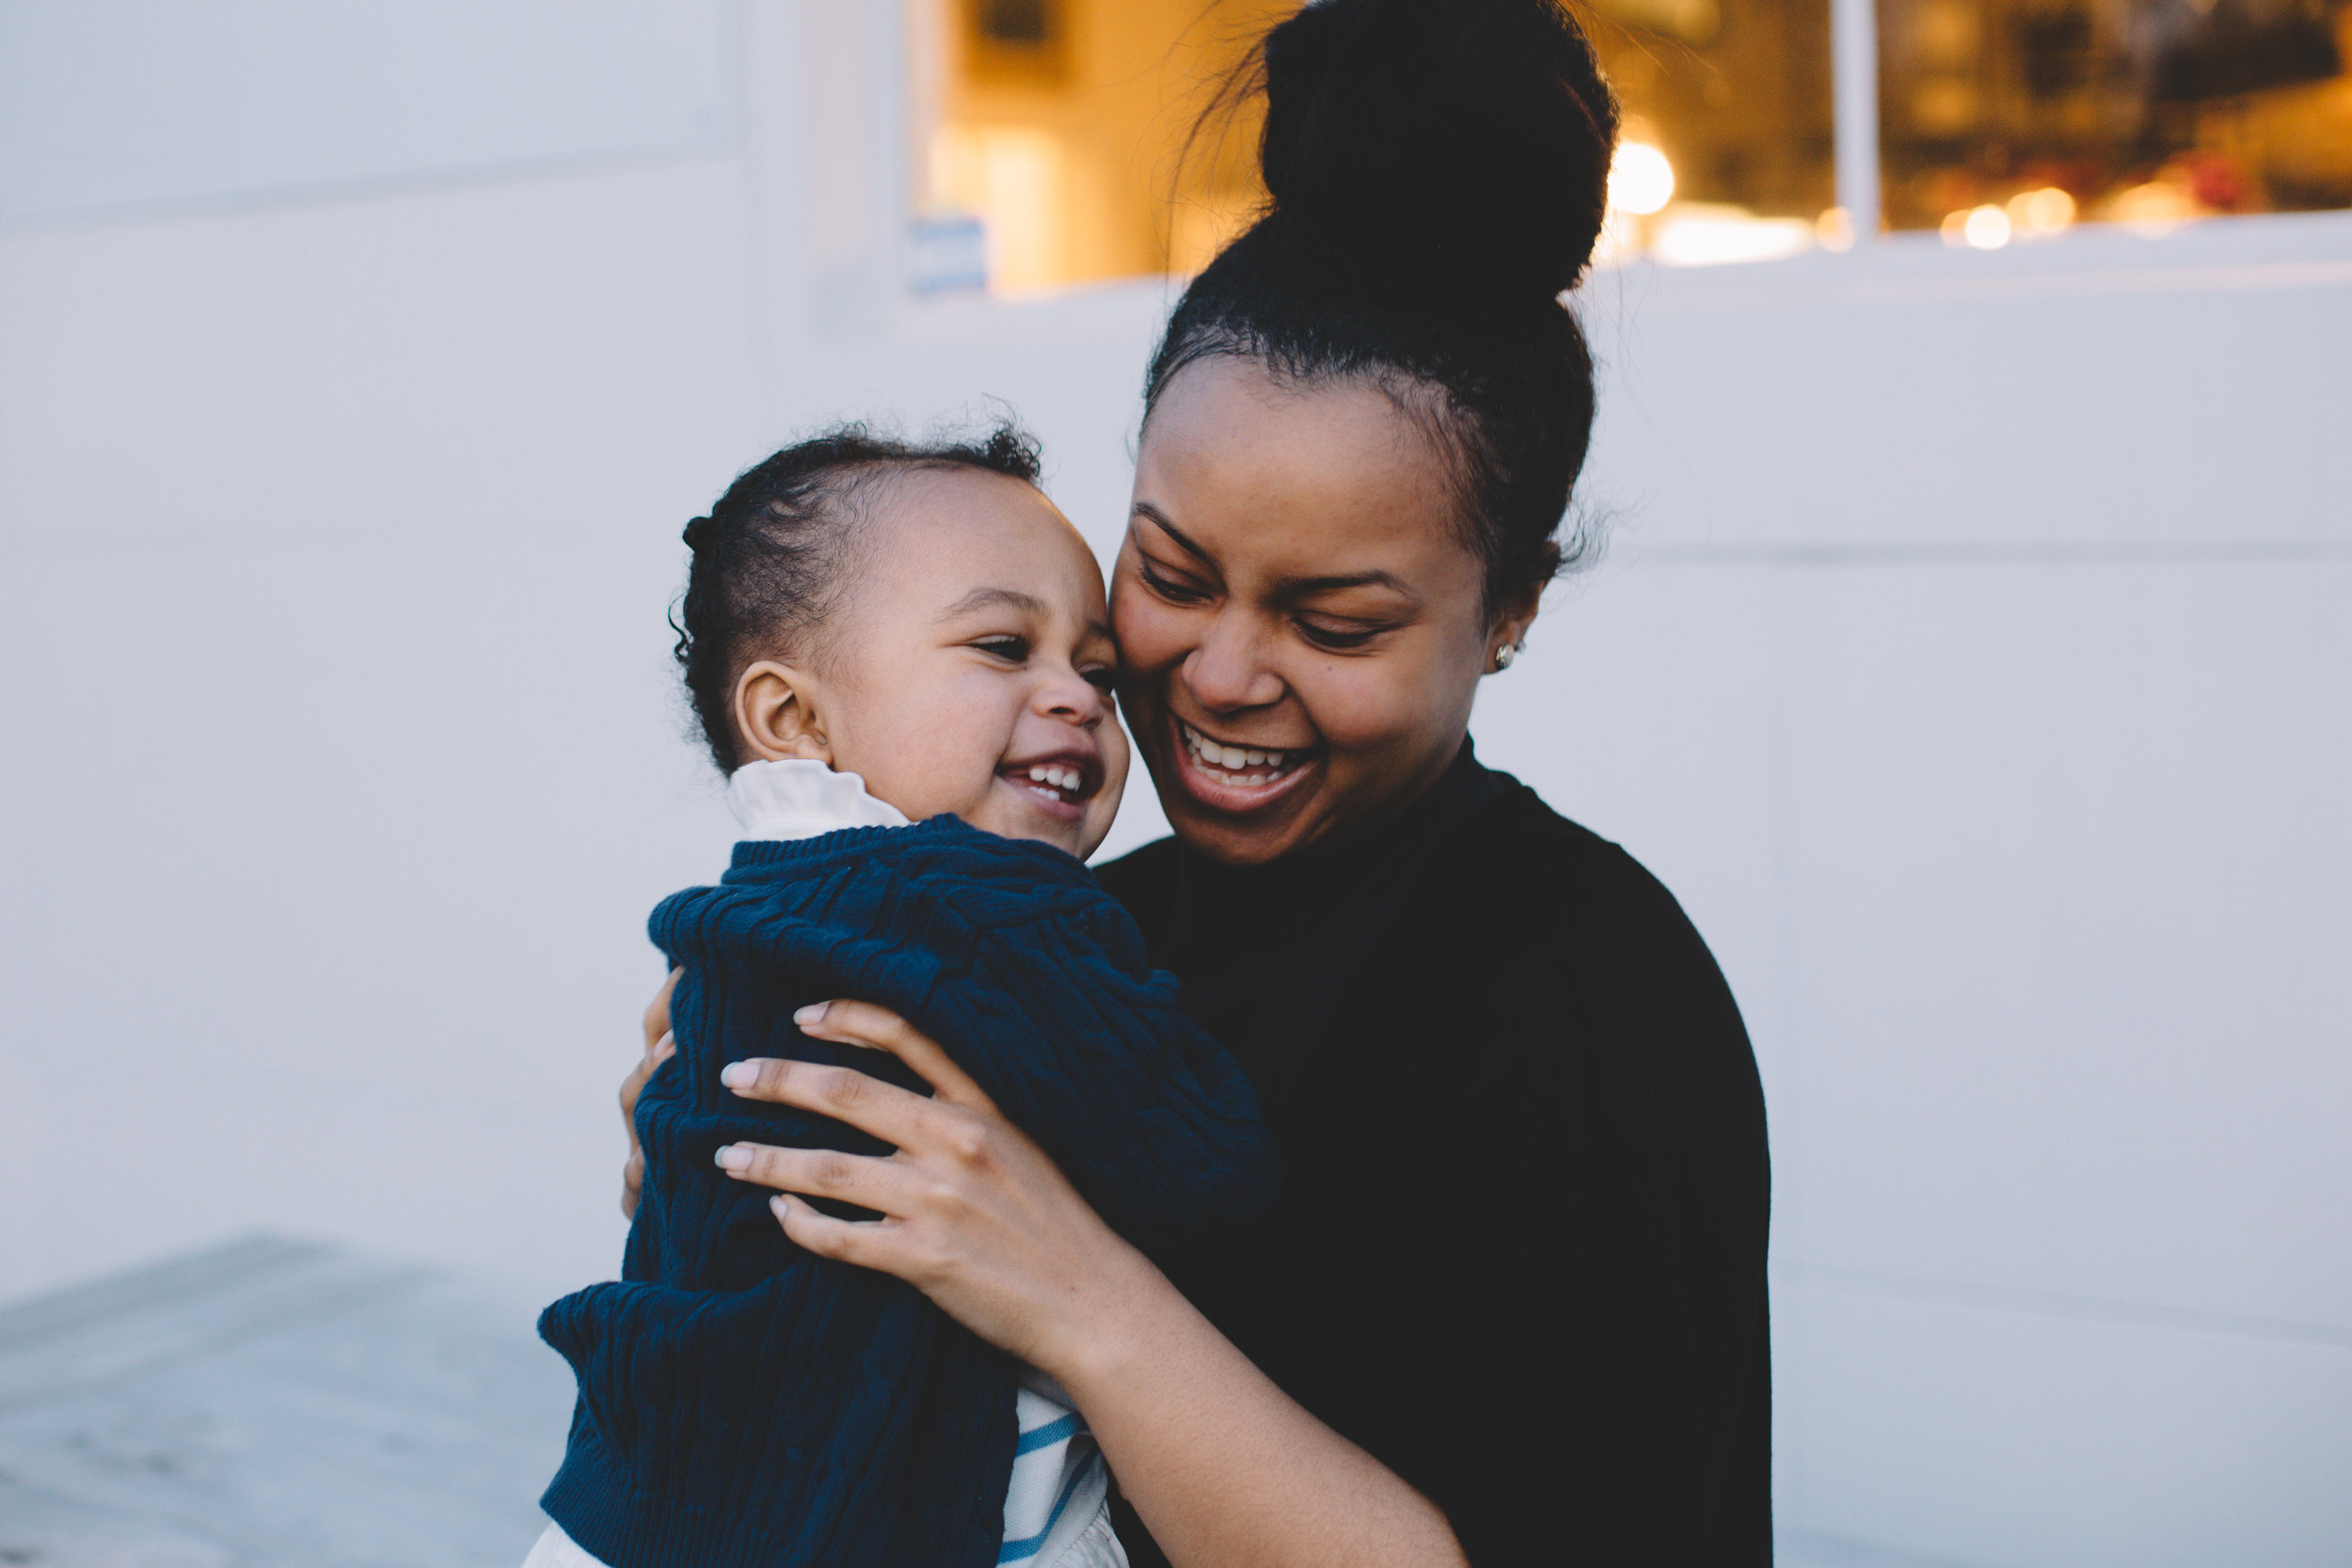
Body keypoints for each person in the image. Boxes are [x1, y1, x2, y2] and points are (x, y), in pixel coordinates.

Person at [633, 0, 1772, 1560]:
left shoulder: (1592, 1002)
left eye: (1336, 618)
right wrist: (734, 1149)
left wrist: (1069, 1284)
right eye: (1170, 572)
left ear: (1506, 613)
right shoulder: (1056, 927)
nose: (1220, 674)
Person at [532, 427, 1278, 1568]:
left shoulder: (749, 917)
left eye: (1098, 670)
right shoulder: (979, 909)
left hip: (643, 1506)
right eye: (1000, 645)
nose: (1072, 698)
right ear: (793, 719)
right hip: (877, 1512)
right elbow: (1203, 1170)